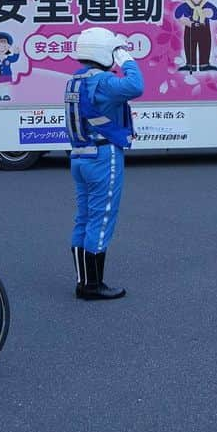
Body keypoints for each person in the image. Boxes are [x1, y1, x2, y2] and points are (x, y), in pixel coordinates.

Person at [64, 27, 144, 301]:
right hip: (102, 156)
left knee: (84, 218)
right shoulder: (103, 82)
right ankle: (93, 286)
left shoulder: (75, 80)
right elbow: (136, 86)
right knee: (101, 218)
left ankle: (82, 281)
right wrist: (126, 58)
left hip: (79, 156)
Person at [173, 0, 217, 72]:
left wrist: (210, 13)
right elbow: (177, 14)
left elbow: (216, 15)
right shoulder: (186, 5)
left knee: (205, 45)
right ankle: (190, 64)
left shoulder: (207, 5)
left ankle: (205, 64)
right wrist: (183, 20)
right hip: (190, 28)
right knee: (190, 46)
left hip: (204, 28)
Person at [0, 31, 20, 101]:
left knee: (6, 85)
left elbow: (14, 59)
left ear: (8, 46)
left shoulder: (8, 57)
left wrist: (16, 53)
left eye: (4, 46)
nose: (1, 48)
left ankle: (6, 95)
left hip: (6, 74)